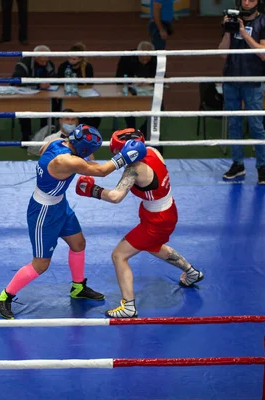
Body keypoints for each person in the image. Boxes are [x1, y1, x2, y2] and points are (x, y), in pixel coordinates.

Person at [0, 124, 147, 319]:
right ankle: (4, 297)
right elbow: (100, 170)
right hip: (43, 212)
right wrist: (124, 157)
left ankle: (78, 286)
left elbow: (43, 150)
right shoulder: (66, 161)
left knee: (78, 243)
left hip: (59, 205)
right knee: (40, 264)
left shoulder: (57, 142)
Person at [75, 129, 203, 318]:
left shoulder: (134, 170)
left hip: (156, 221)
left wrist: (93, 190)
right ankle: (191, 273)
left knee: (119, 256)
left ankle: (128, 307)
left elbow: (116, 196)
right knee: (153, 246)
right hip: (166, 209)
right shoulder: (153, 151)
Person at [218, 0, 265, 185]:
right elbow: (222, 54)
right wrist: (229, 30)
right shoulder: (232, 19)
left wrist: (243, 33)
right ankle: (238, 164)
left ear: (258, 2)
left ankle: (262, 167)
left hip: (252, 80)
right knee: (234, 124)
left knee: (256, 125)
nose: (247, 2)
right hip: (231, 79)